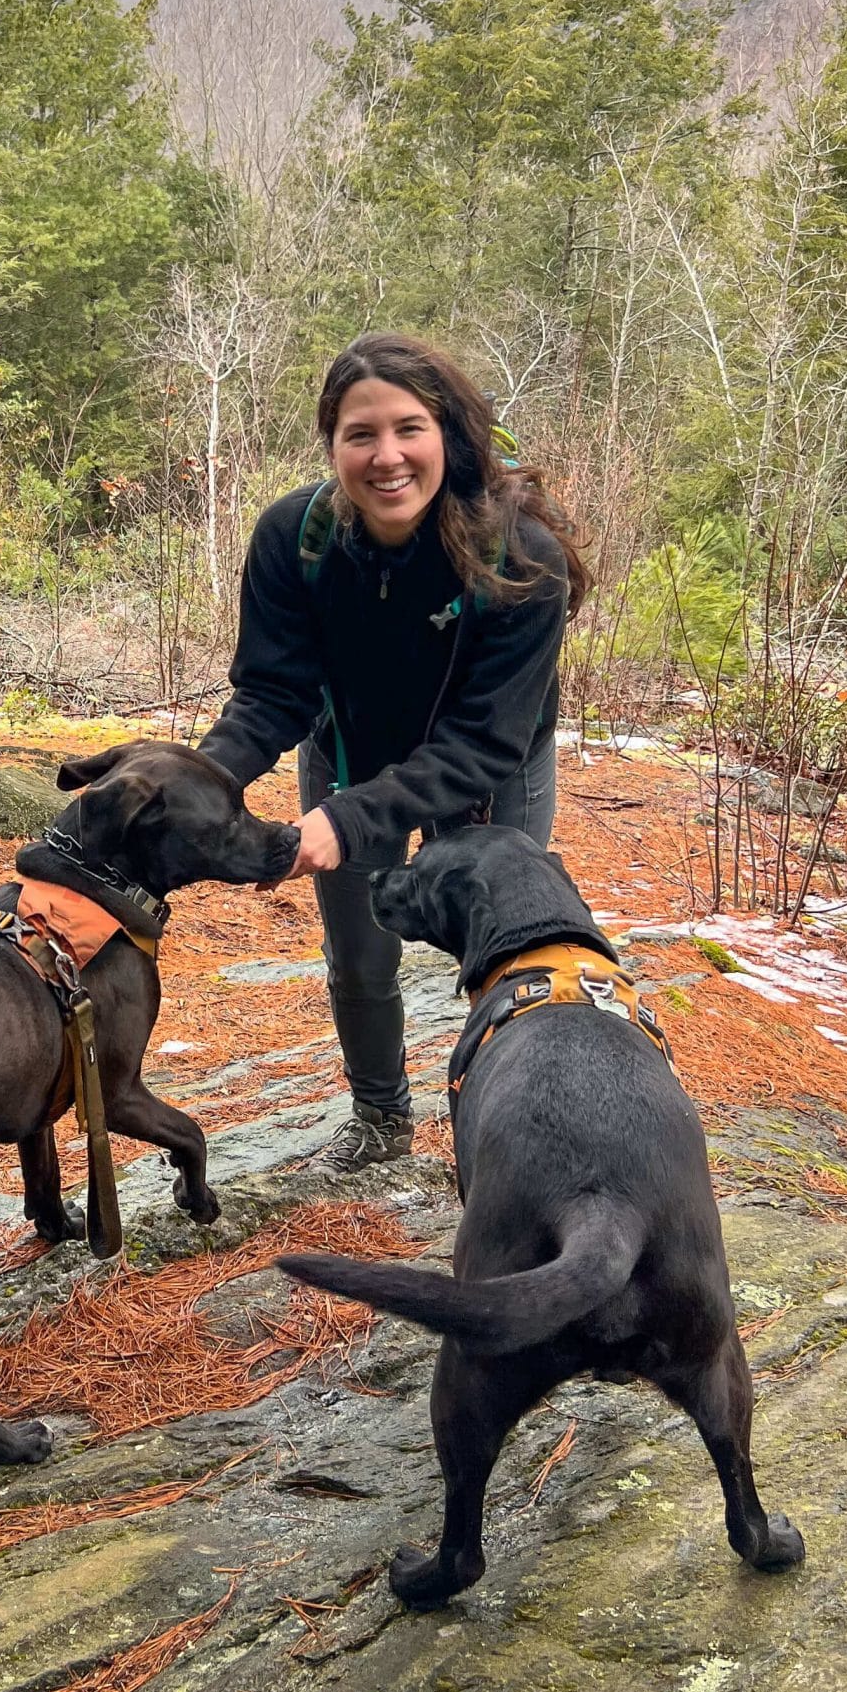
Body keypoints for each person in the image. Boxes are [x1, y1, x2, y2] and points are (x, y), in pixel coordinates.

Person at [198, 333, 592, 1170]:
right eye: (360, 435)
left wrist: (344, 819)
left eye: (409, 429)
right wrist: (195, 783)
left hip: (492, 771)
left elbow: (486, 738)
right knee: (359, 960)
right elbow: (273, 695)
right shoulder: (293, 539)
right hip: (349, 758)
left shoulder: (523, 559)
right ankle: (380, 1122)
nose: (387, 457)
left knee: (514, 962)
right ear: (332, 444)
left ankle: (512, 1127)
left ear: (447, 433)